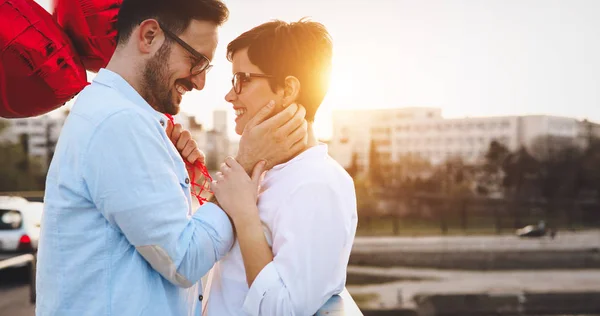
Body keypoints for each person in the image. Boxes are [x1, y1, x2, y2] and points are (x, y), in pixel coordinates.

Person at [35, 0, 308, 315]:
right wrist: (245, 163)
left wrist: (189, 184)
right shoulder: (119, 123)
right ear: (149, 35)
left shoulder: (124, 117)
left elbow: (158, 238)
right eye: (196, 60)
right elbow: (183, 260)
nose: (200, 82)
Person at [205, 19, 358, 316]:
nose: (229, 95)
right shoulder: (266, 171)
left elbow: (283, 309)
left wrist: (245, 215)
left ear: (287, 89)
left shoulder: (319, 184)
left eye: (243, 79)